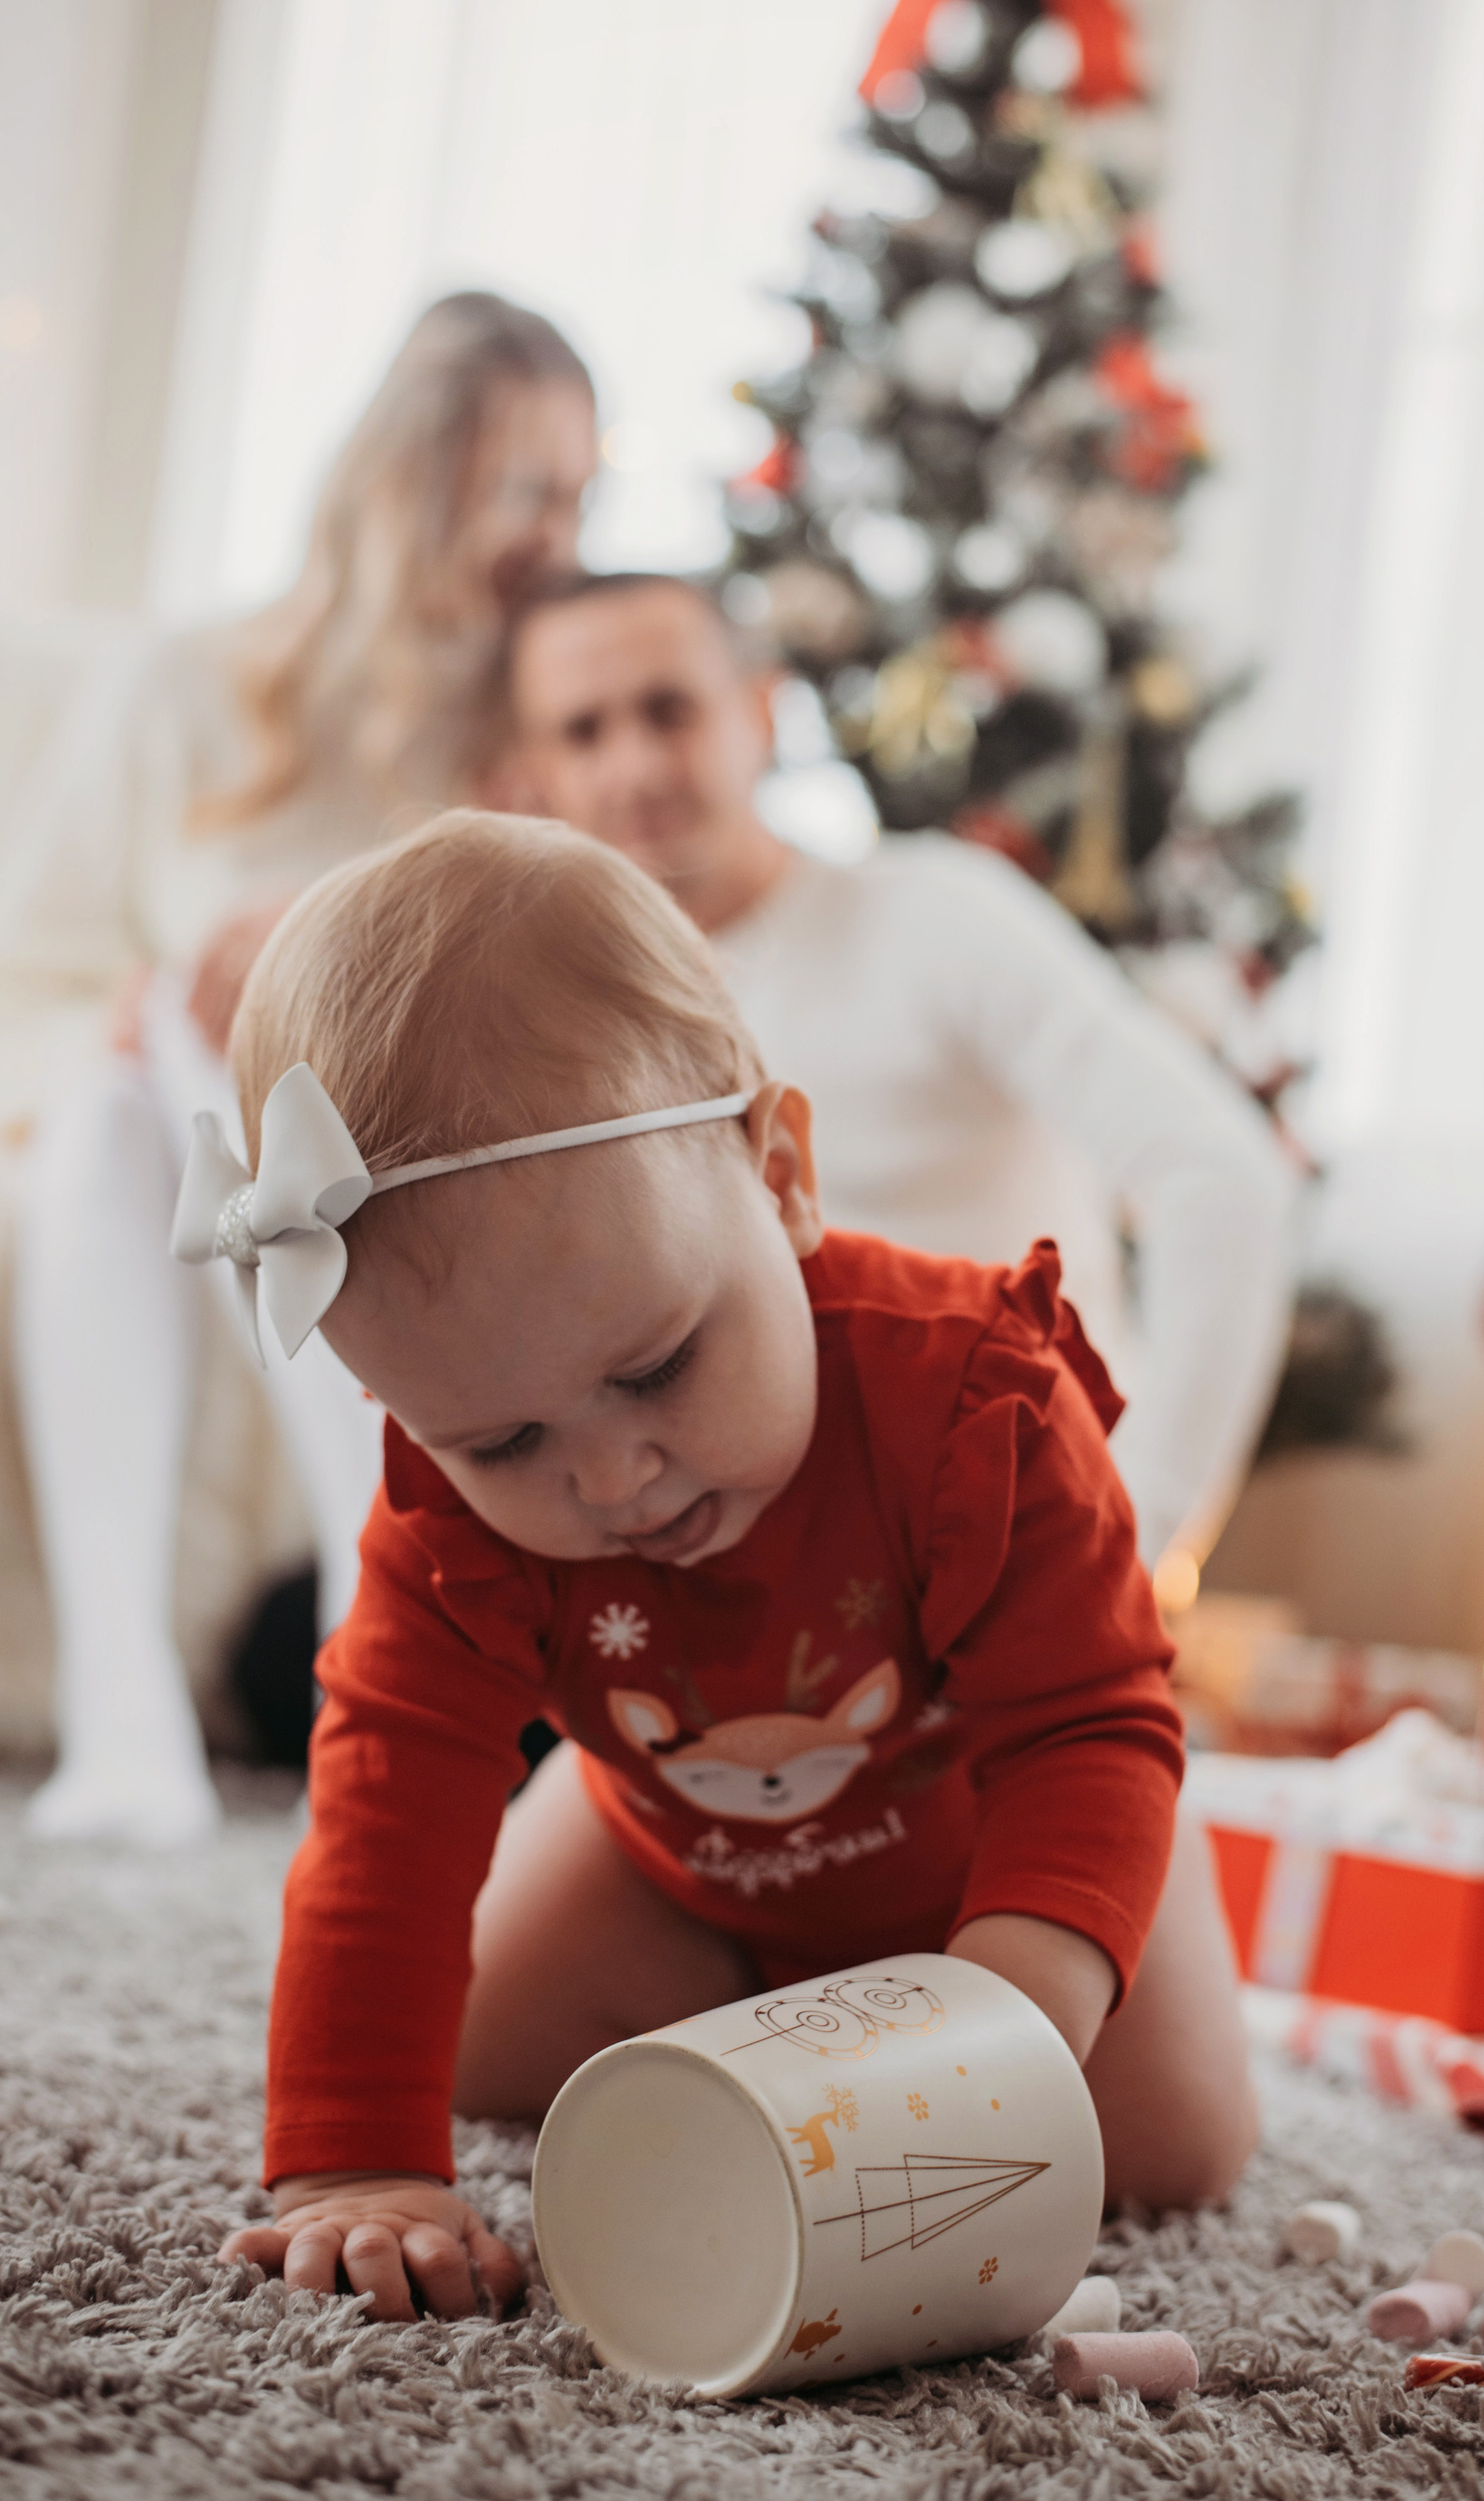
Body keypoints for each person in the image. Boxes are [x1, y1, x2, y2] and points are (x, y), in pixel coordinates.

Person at [200, 811, 1255, 2322]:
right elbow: (385, 1807)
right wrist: (353, 2163)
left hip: (993, 1842)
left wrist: (994, 2032)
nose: (611, 1478)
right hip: (675, 1850)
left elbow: (1082, 1731)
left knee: (1169, 2150)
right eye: (503, 1442)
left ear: (779, 1177)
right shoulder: (450, 1513)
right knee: (475, 2051)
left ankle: (1073, 1924)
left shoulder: (977, 1404)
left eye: (657, 1367)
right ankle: (720, 1963)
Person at [3, 292, 598, 1845]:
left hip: (423, 1151)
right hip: (149, 1132)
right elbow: (36, 974)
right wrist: (130, 1013)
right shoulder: (184, 688)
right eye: (530, 486)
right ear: (413, 480)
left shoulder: (539, 723)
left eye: (582, 494)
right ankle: (134, 1713)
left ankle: (367, 1610)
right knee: (131, 1090)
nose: (558, 535)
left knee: (252, 990)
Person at [492, 571, 1295, 1578]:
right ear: (532, 777)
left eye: (670, 709)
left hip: (1006, 1566)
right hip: (741, 1620)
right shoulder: (552, 1026)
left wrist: (1135, 1541)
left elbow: (1222, 1180)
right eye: (584, 731)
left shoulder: (939, 916)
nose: (638, 763)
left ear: (761, 710)